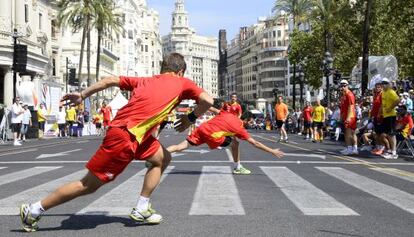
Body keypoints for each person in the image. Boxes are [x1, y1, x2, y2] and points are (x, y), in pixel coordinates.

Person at [19, 53, 214, 232]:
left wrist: (82, 94)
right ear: (180, 72)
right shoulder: (182, 82)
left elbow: (110, 80)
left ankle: (142, 207)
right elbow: (208, 100)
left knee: (162, 158)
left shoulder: (145, 81)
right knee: (88, 184)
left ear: (162, 69)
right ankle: (34, 209)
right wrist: (191, 117)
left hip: (138, 136)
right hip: (124, 136)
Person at [167, 103, 284, 163]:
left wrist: (197, 108)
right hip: (212, 136)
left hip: (202, 129)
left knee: (179, 146)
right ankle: (237, 166)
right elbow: (255, 143)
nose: (251, 124)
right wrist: (272, 151)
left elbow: (211, 108)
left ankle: (157, 157)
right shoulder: (240, 128)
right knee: (235, 143)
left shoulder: (227, 114)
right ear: (247, 120)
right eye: (251, 121)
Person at [381, 78, 401, 159]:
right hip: (386, 116)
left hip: (391, 115)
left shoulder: (391, 92)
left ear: (388, 84)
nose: (383, 85)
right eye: (382, 83)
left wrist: (391, 108)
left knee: (391, 134)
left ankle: (394, 152)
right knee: (388, 134)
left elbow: (397, 100)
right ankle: (390, 151)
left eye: (385, 83)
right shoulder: (383, 93)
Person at [339, 80, 358, 155]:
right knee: (347, 133)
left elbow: (351, 106)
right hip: (345, 116)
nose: (343, 87)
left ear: (347, 86)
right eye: (342, 86)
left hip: (350, 117)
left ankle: (355, 148)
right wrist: (341, 117)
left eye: (344, 85)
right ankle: (349, 148)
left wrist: (348, 118)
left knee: (351, 133)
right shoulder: (343, 95)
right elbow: (343, 108)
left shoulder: (349, 94)